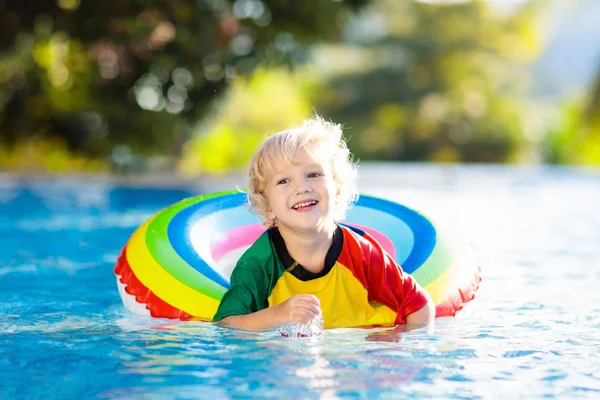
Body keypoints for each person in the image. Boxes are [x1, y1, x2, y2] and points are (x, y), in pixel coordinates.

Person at [213, 116, 435, 331]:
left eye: (313, 174)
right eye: (284, 180)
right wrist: (277, 315)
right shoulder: (258, 264)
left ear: (337, 188)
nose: (302, 187)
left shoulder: (363, 254)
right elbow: (227, 324)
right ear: (268, 203)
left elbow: (419, 305)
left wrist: (396, 343)